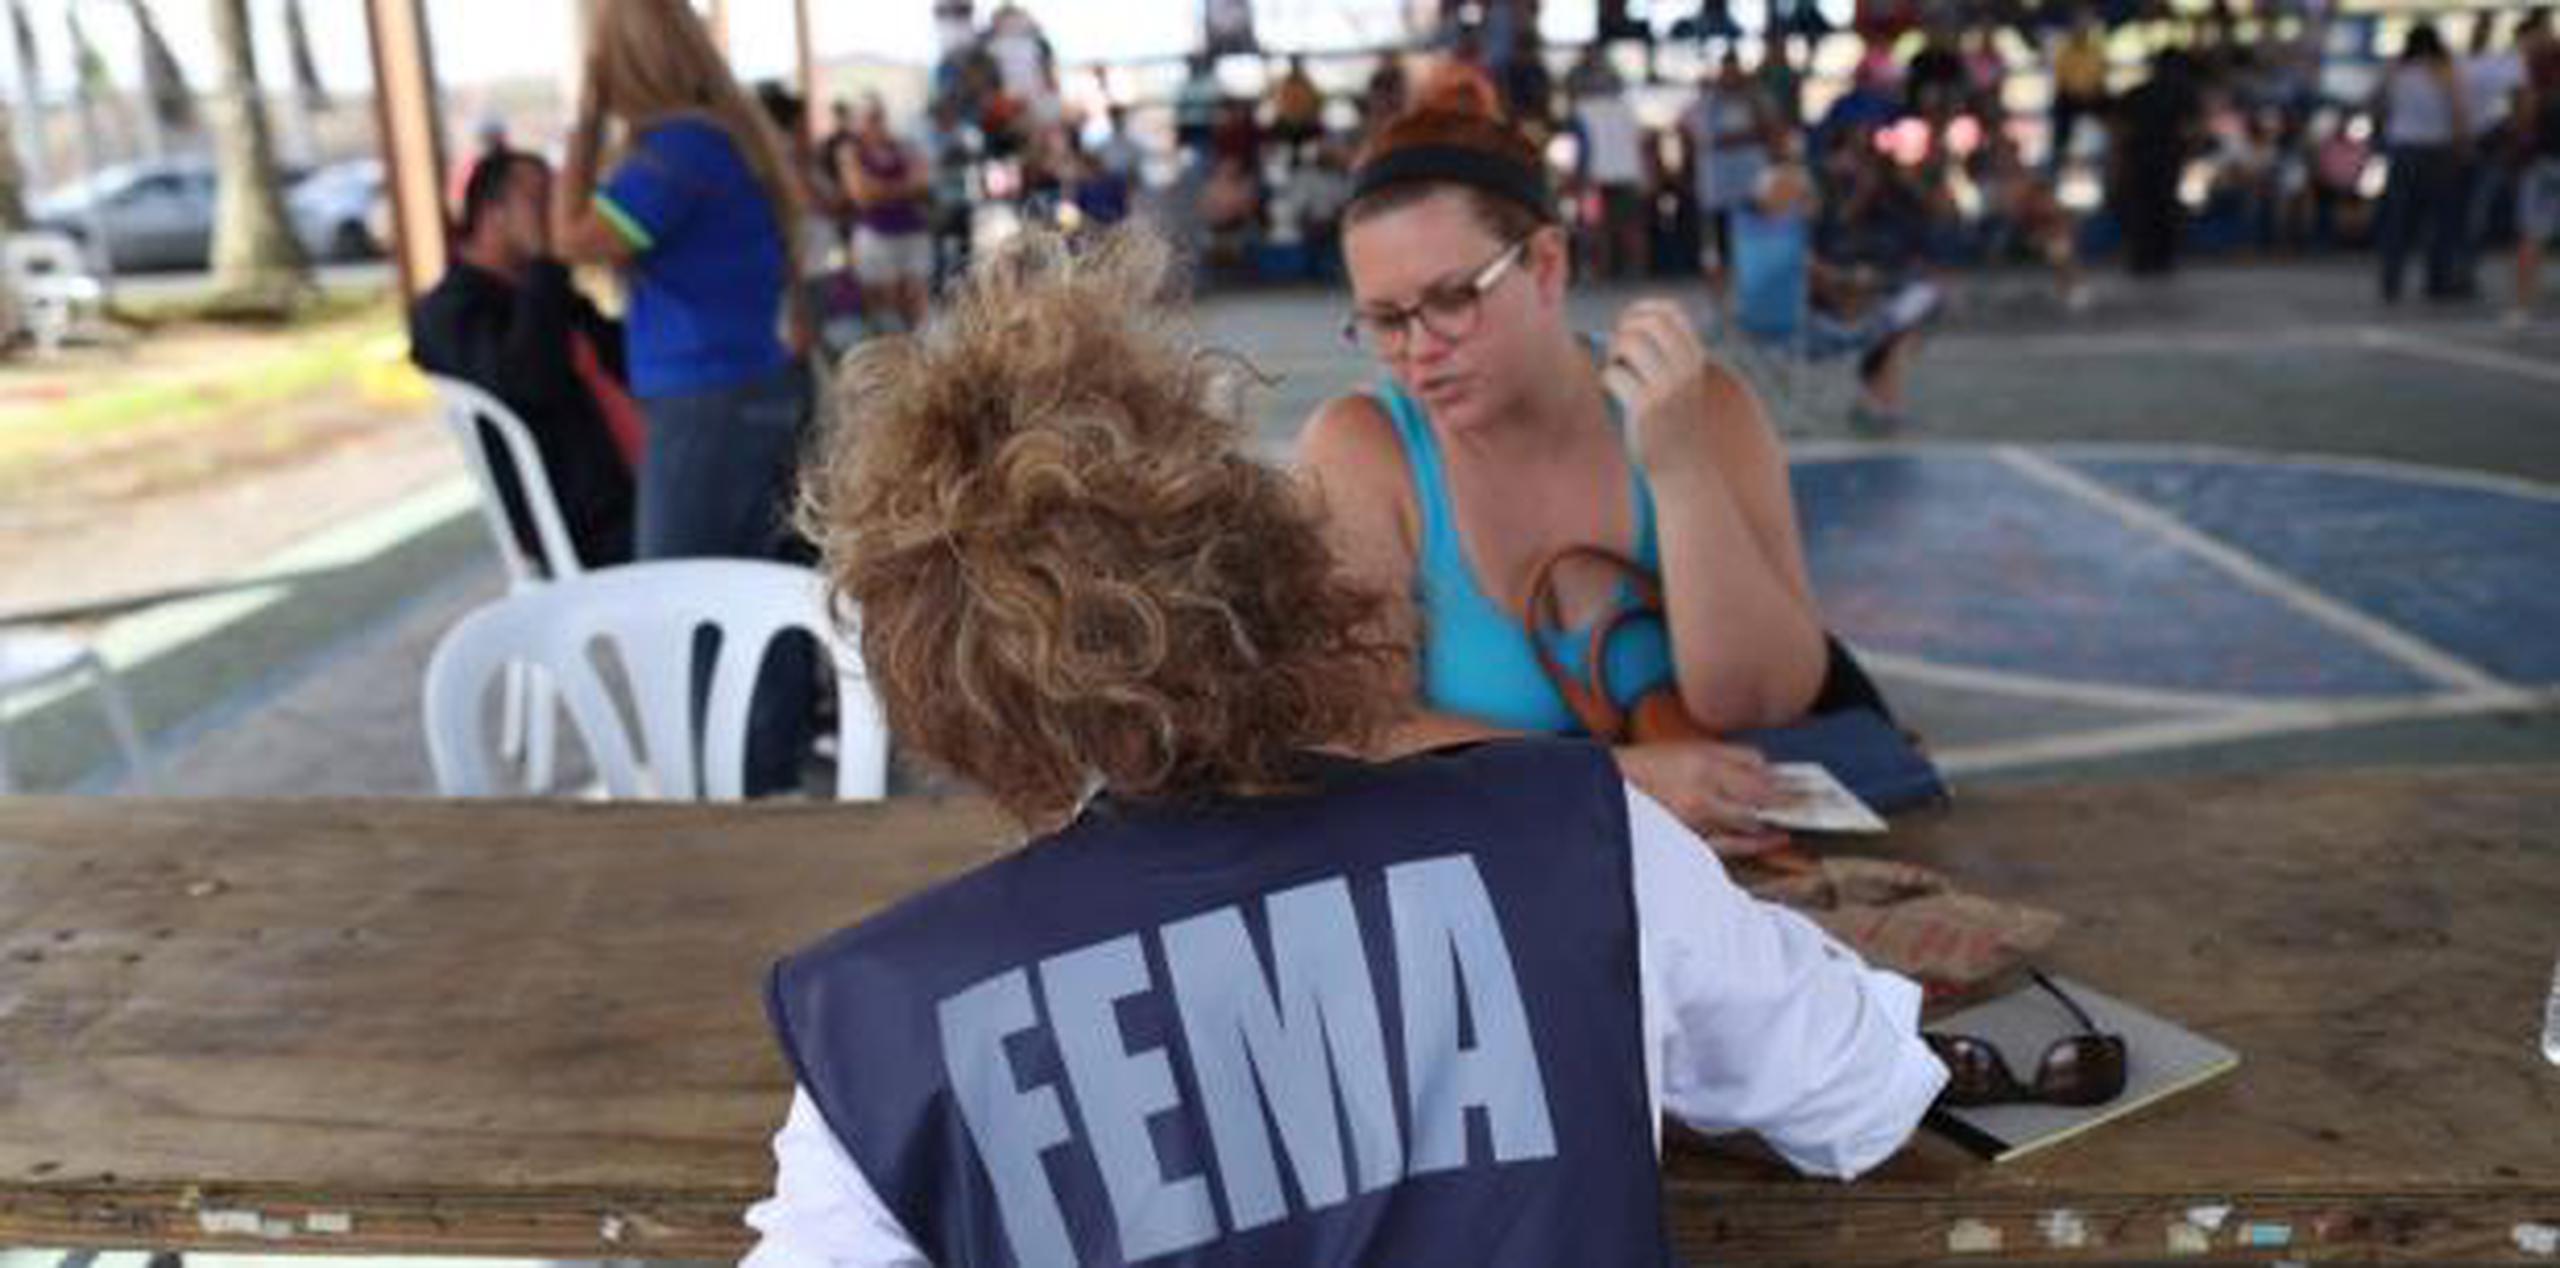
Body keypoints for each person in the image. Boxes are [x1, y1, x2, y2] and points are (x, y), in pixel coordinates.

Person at [747, 225, 1946, 1267]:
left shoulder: (884, 1022)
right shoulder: (1578, 841)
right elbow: (1861, 1090)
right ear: (1260, 544)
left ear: (934, 678)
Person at [1297, 70, 1835, 849]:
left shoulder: (1697, 405)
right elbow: (1355, 727)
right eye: (1384, 320)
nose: (1419, 351)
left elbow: (1760, 700)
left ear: (1546, 265)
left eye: (1452, 298)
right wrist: (1616, 780)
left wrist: (1681, 471)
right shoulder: (1366, 447)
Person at [552, 0, 813, 796]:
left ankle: (718, 792)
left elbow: (569, 239)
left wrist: (586, 118)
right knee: (762, 596)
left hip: (709, 405)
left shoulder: (671, 159)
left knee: (679, 607)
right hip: (760, 386)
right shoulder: (726, 142)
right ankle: (769, 782)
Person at [410, 150, 637, 571]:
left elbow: (630, 358)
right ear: (492, 212)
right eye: (539, 200)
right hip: (585, 520)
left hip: (637, 485)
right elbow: (531, 382)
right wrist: (546, 262)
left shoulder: (545, 291)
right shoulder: (447, 311)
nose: (555, 211)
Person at [2371, 22, 2473, 302]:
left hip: (2402, 148)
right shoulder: (2444, 70)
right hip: (2436, 150)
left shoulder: (2395, 70)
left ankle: (2391, 280)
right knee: (2440, 220)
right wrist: (2463, 145)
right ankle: (2437, 280)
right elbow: (2458, 110)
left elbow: (2377, 105)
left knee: (2398, 220)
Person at [838, 95, 934, 332]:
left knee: (916, 299)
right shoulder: (851, 151)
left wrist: (881, 190)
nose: (876, 123)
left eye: (879, 116)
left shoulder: (903, 146)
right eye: (870, 117)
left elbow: (923, 182)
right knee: (885, 306)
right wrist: (904, 188)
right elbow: (861, 195)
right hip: (876, 235)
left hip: (911, 232)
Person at [1684, 50, 1780, 288]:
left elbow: (1770, 130)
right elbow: (1697, 135)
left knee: (1754, 234)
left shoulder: (1757, 98)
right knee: (1719, 241)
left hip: (1751, 181)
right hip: (1719, 183)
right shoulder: (1708, 101)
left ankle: (1754, 281)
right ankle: (1721, 287)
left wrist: (1738, 137)